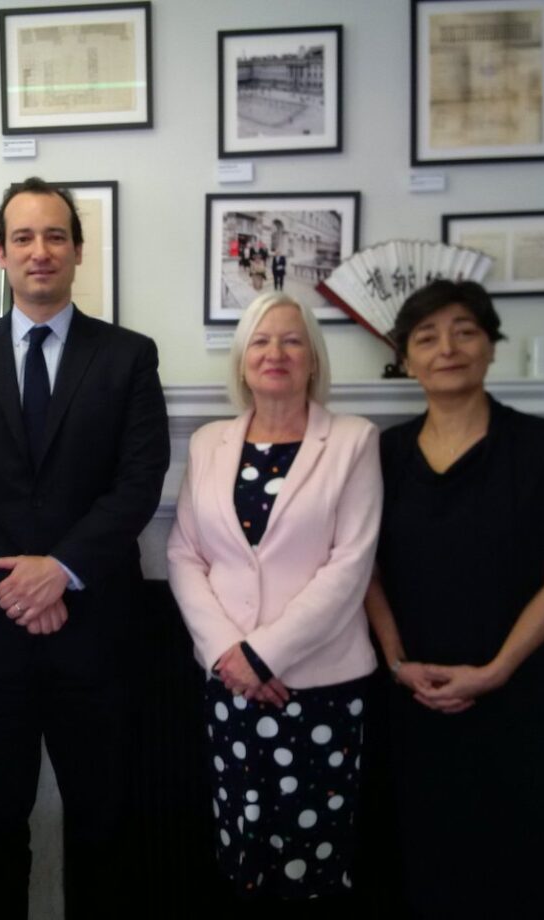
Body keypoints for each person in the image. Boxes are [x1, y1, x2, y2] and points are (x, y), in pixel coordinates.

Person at [0, 177, 169, 920]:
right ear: (1, 254)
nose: (40, 251)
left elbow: (138, 479)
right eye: (23, 237)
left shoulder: (127, 357)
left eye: (55, 235)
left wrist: (59, 571)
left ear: (78, 252)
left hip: (98, 635)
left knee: (104, 823)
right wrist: (15, 584)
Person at [167, 293, 381, 917]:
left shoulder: (353, 441)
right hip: (229, 683)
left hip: (321, 687)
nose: (275, 353)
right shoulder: (209, 443)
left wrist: (265, 655)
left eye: (291, 341)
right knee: (244, 845)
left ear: (313, 358)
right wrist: (229, 654)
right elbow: (184, 553)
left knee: (314, 854)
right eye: (260, 341)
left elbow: (350, 565)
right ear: (241, 361)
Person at [365, 280, 544, 919]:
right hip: (413, 701)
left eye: (465, 331)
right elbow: (362, 569)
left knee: (525, 866)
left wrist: (496, 671)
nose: (447, 348)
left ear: (489, 347)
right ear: (406, 358)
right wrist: (398, 663)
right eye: (426, 337)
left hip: (524, 696)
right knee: (421, 865)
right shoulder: (382, 453)